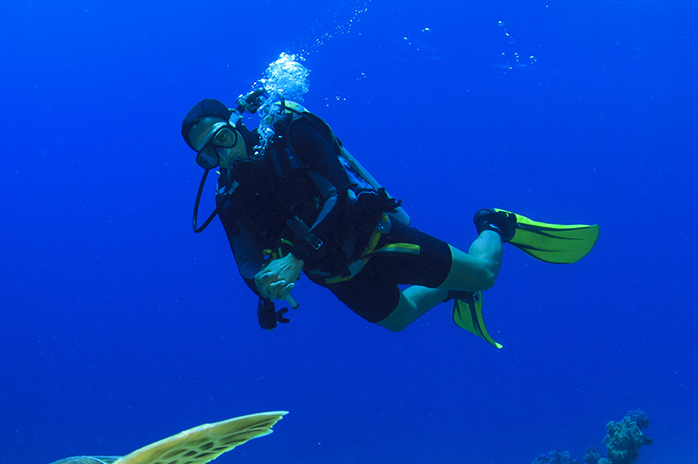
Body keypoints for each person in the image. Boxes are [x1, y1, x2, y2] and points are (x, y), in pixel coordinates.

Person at [180, 93, 599, 347]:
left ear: (237, 124)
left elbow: (339, 194)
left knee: (486, 275)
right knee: (400, 319)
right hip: (336, 273)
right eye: (208, 155)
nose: (223, 155)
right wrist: (262, 284)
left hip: (378, 240)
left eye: (222, 139)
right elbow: (246, 258)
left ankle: (495, 225)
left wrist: (297, 258)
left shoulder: (290, 134)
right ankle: (455, 288)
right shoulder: (230, 195)